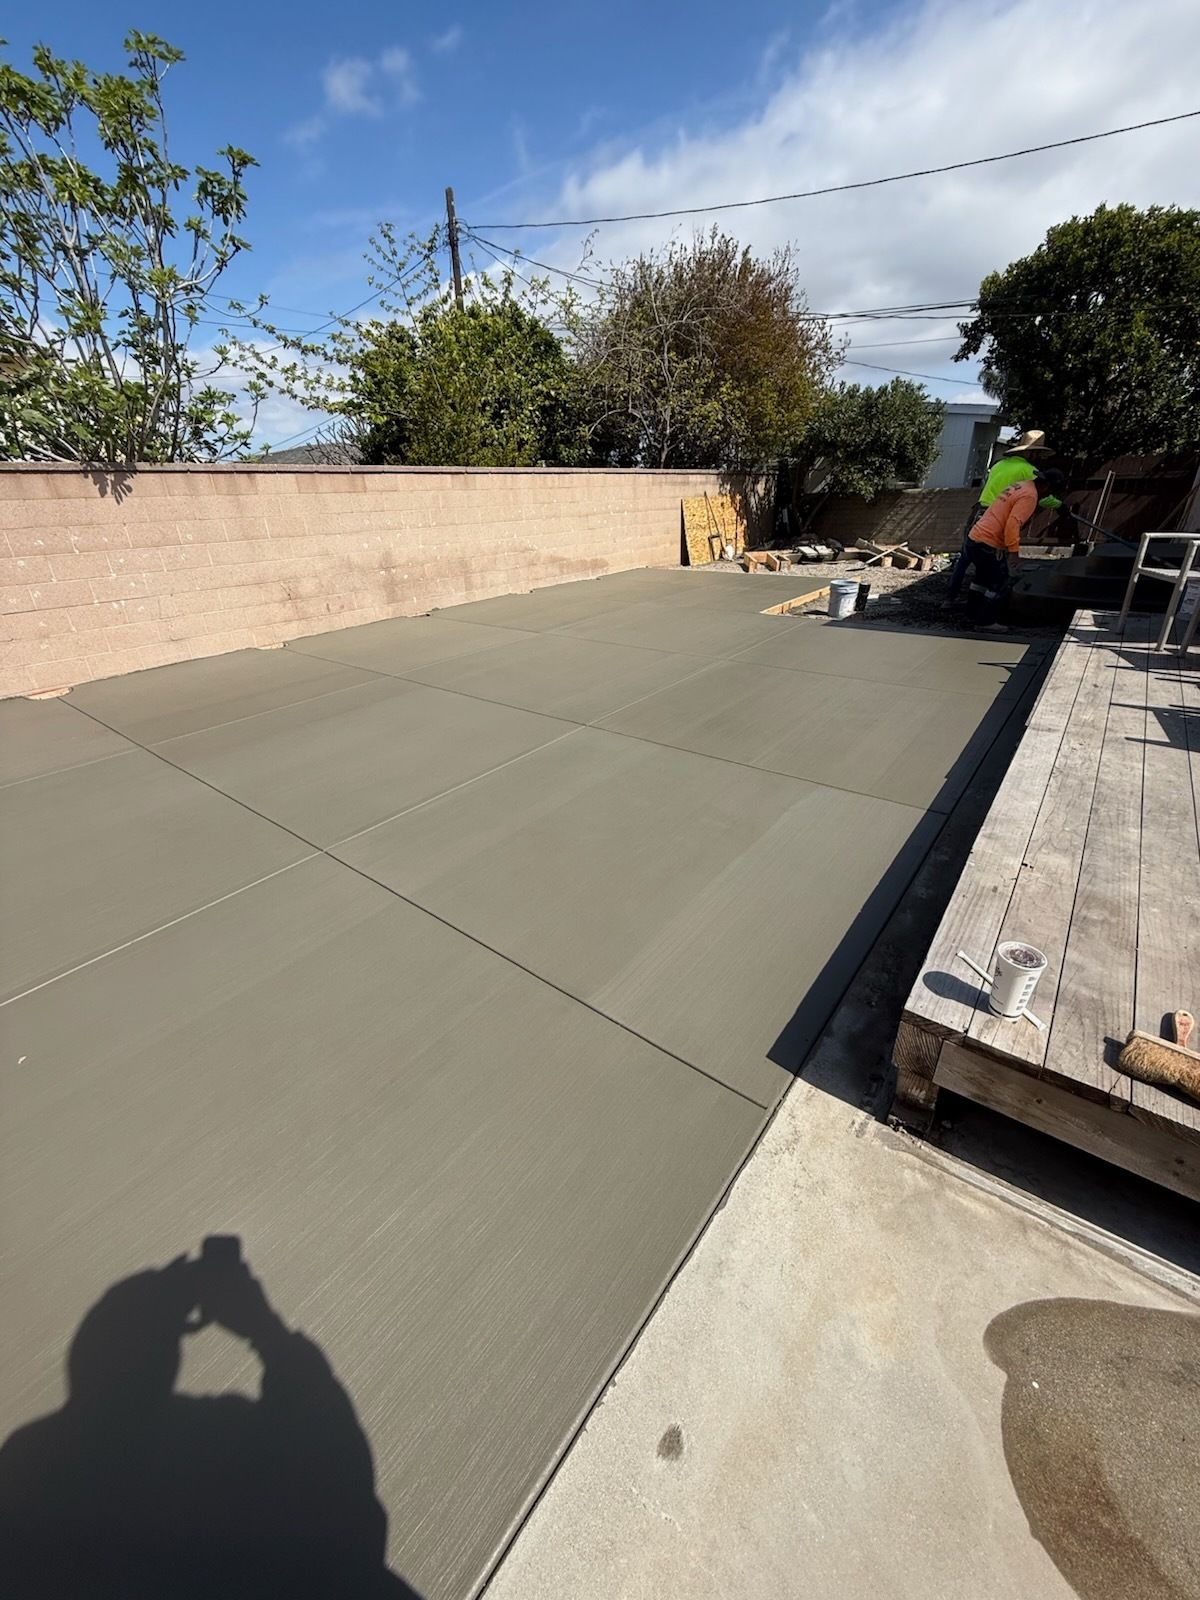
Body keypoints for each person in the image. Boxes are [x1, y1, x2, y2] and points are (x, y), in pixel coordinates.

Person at [0, 1244, 418, 1599]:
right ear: (168, 1358)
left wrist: (139, 1307)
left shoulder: (29, 1465)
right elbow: (341, 1484)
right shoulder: (215, 1441)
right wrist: (264, 1328)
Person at [944, 429, 1059, 604]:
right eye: (1037, 454)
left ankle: (951, 598)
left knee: (966, 557)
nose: (1039, 458)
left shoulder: (998, 465)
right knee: (995, 566)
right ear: (1030, 453)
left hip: (978, 512)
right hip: (996, 517)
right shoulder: (1029, 471)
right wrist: (1059, 506)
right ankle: (987, 608)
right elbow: (1039, 496)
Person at [964, 465, 1066, 632]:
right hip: (988, 542)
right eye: (1050, 492)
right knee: (1000, 580)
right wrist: (1013, 552)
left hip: (976, 537)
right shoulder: (1030, 496)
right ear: (1046, 486)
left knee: (982, 578)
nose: (1048, 496)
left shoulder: (1022, 485)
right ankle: (985, 621)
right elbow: (1013, 524)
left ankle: (972, 613)